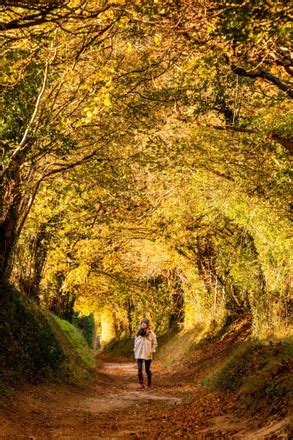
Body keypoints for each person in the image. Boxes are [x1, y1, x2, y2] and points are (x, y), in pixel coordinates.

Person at [134, 319, 157, 389]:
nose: (143, 325)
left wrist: (152, 350)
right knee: (139, 368)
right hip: (139, 353)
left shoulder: (151, 333)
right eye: (142, 324)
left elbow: (155, 343)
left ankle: (149, 383)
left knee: (147, 369)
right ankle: (141, 384)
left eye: (145, 324)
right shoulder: (138, 333)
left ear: (147, 325)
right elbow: (135, 342)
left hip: (147, 353)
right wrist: (135, 349)